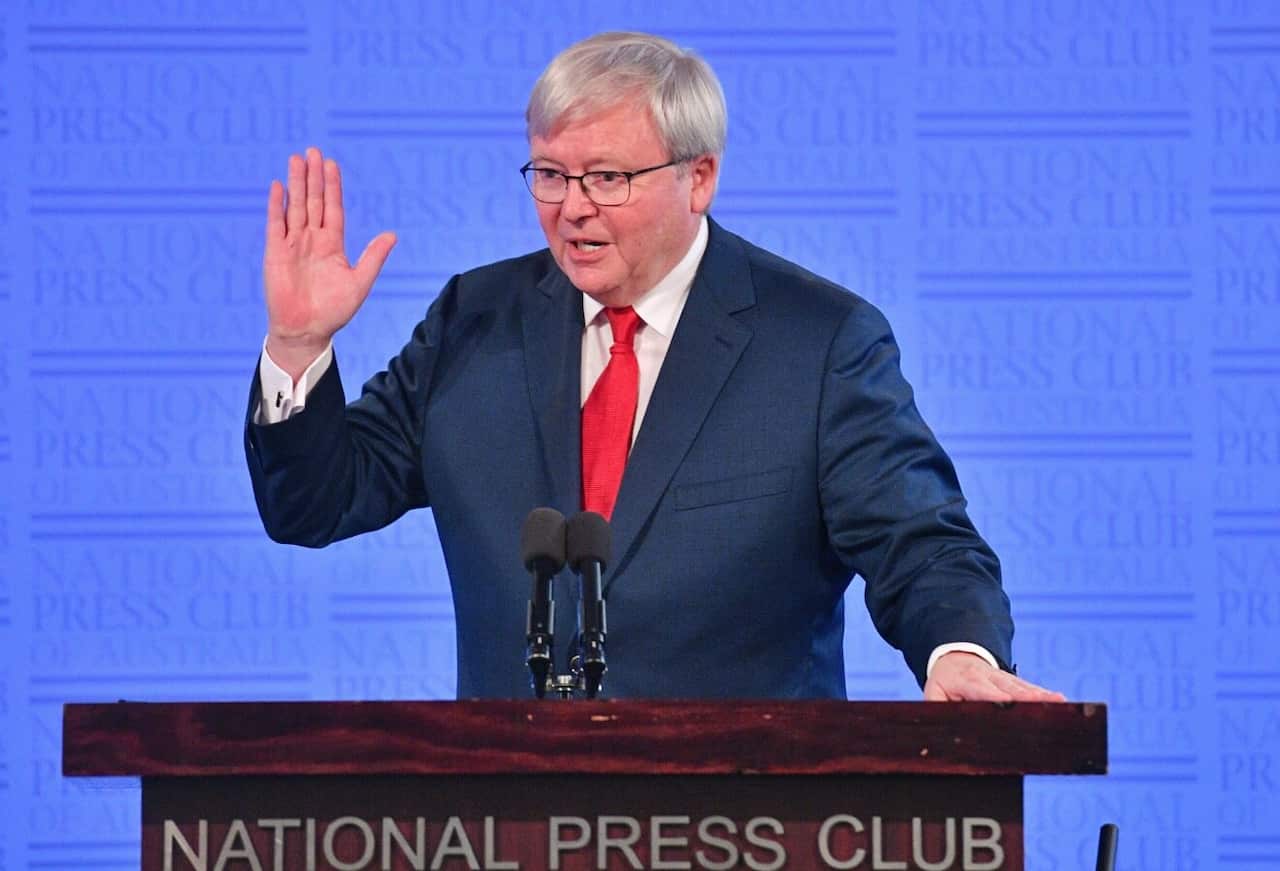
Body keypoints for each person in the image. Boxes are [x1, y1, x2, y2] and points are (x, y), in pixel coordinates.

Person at [246, 31, 1064, 703]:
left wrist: (958, 652)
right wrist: (298, 345)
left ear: (698, 176)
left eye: (607, 177)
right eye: (552, 174)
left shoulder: (816, 345)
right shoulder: (474, 320)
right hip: (509, 822)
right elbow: (316, 503)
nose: (572, 206)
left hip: (750, 823)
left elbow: (920, 542)